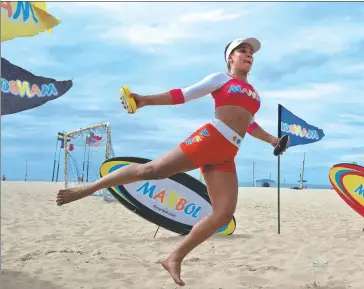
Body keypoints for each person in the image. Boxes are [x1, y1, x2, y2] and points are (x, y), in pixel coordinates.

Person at [56, 37, 290, 286]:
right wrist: (146, 99)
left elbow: (249, 123)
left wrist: (272, 140)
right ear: (229, 58)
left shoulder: (253, 93)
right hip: (210, 138)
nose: (248, 54)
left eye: (251, 52)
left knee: (223, 214)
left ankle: (174, 258)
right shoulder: (221, 79)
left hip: (227, 152)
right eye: (241, 50)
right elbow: (184, 95)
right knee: (152, 170)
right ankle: (87, 189)